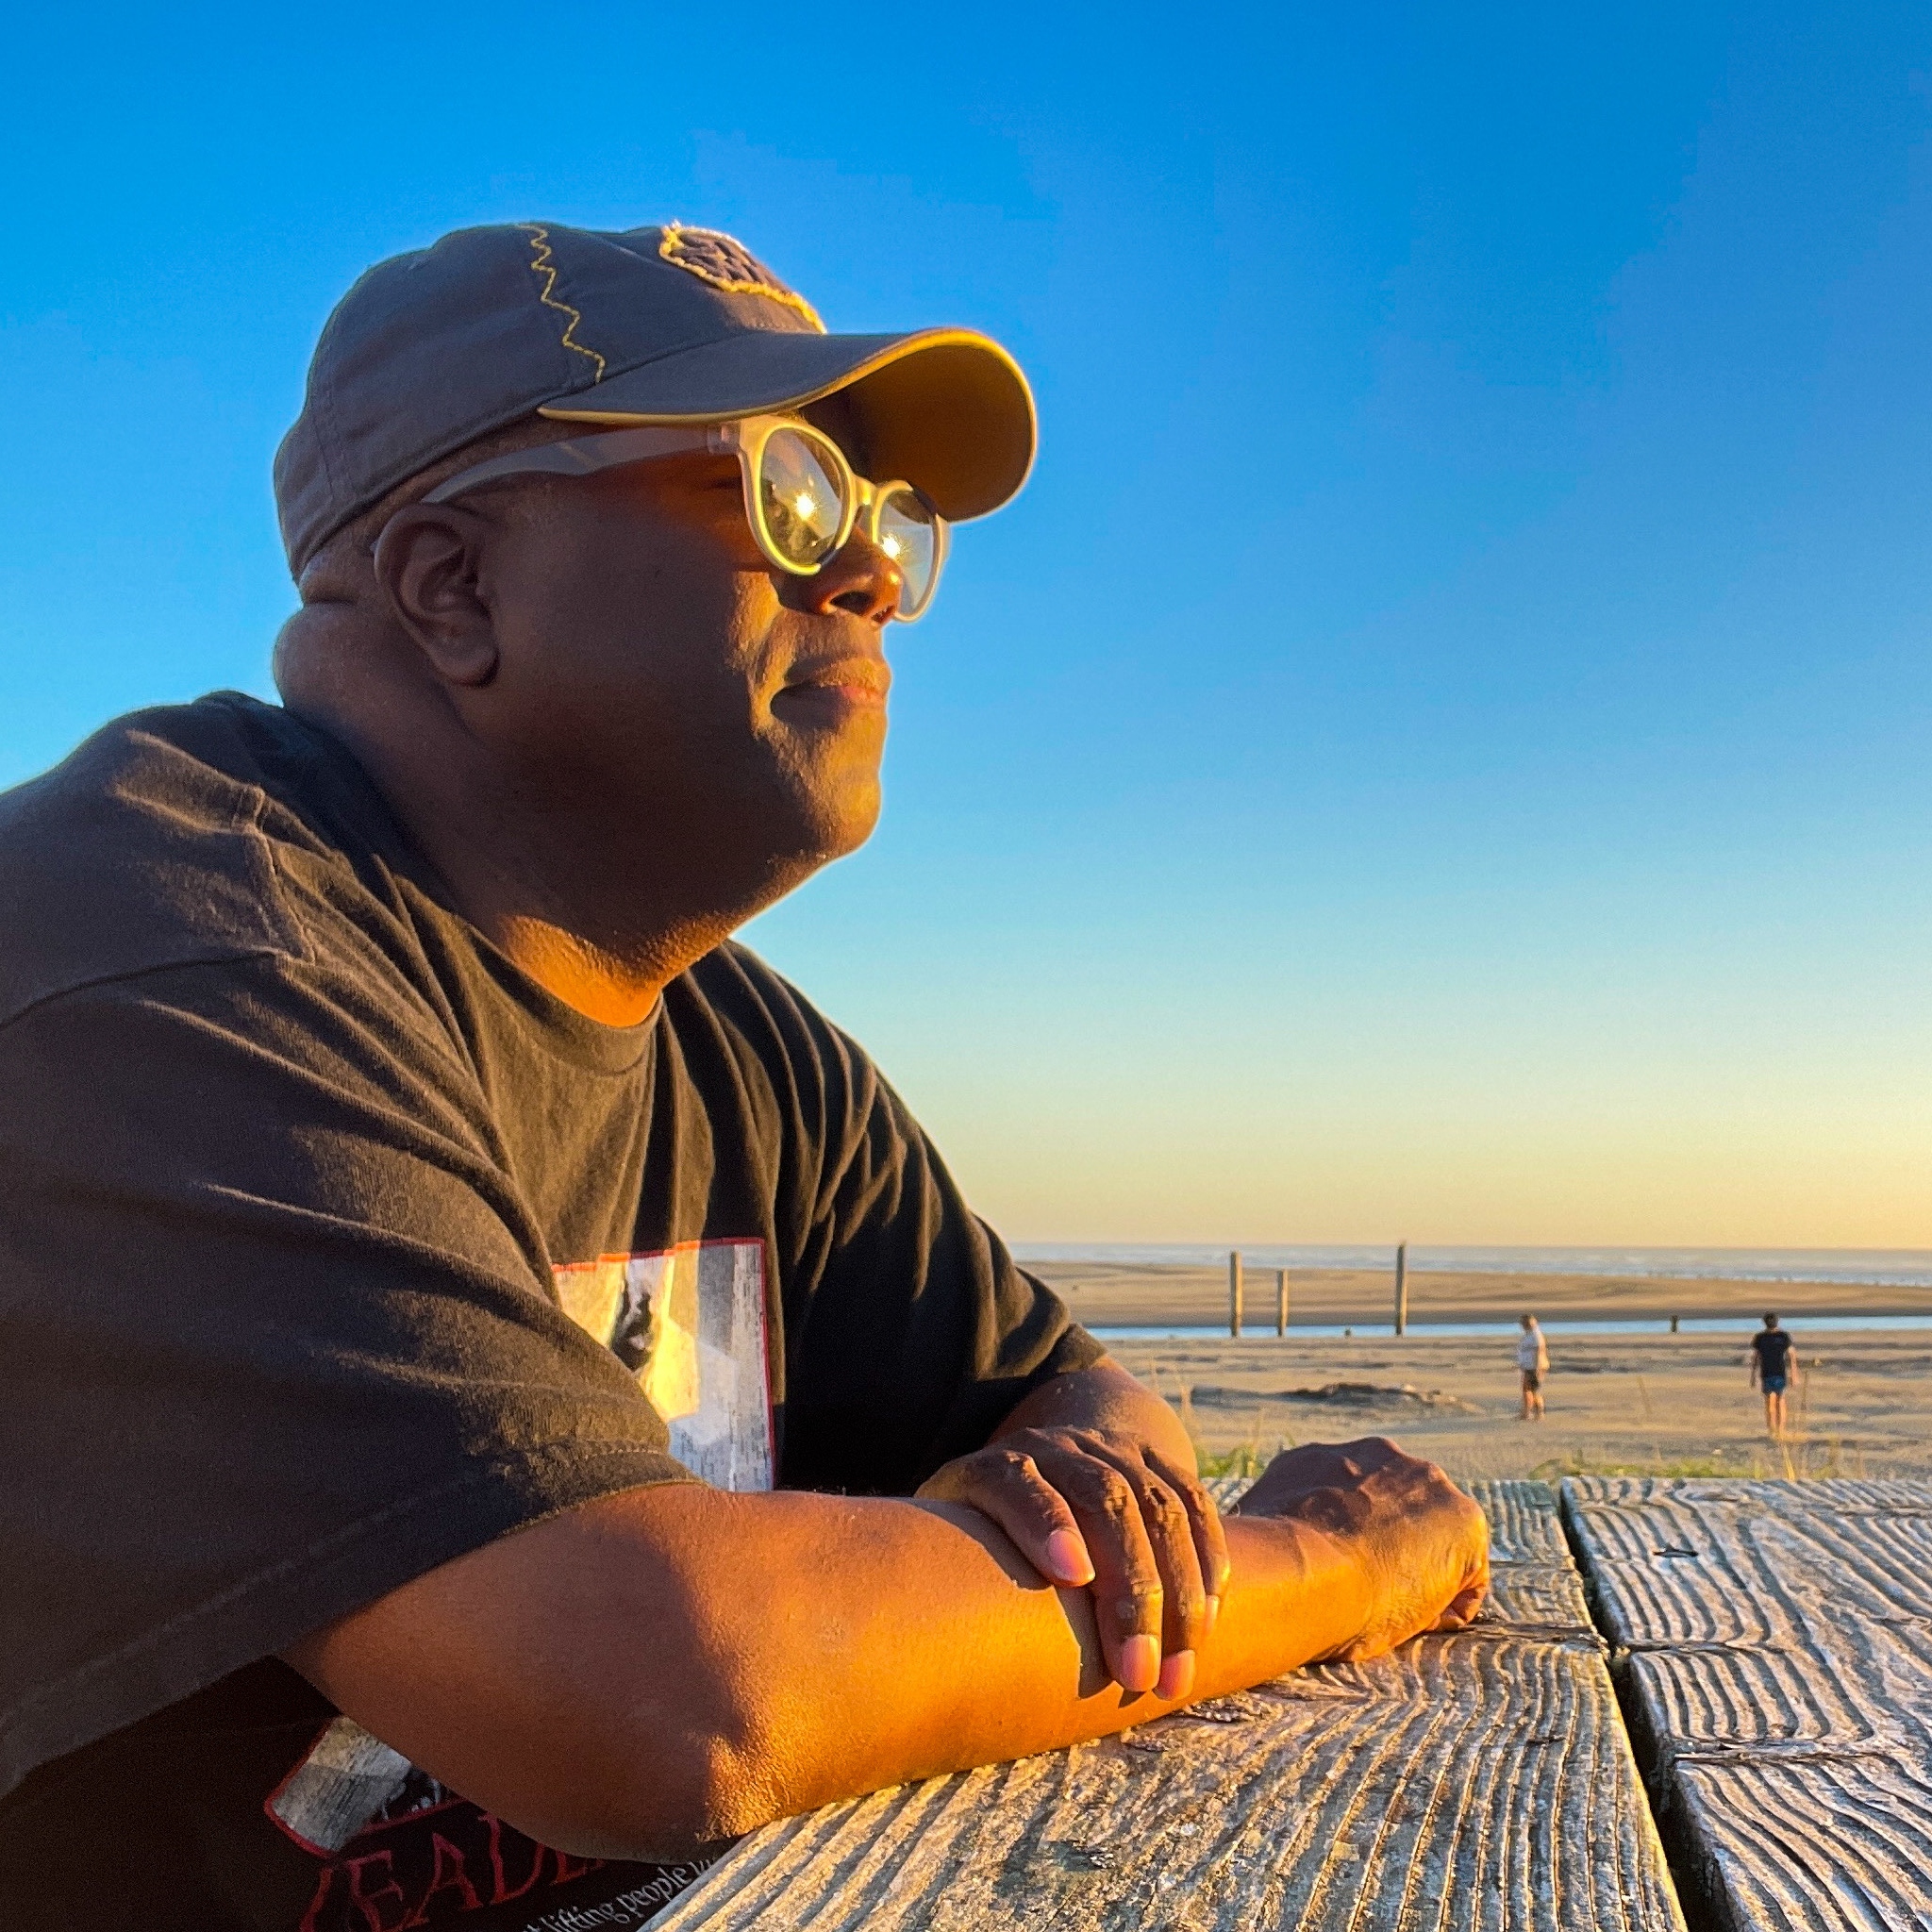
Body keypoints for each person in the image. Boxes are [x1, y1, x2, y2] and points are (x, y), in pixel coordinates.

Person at [0, 221, 1489, 1932]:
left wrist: (967, 1565)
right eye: (791, 490)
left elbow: (1084, 1413)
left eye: (886, 523)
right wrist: (1324, 1558)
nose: (863, 571)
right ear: (450, 584)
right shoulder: (144, 946)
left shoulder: (725, 1031)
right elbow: (664, 1698)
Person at [1749, 1312, 1798, 1438]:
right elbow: (1756, 1357)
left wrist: (1794, 1374)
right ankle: (1773, 1430)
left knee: (1779, 1401)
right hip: (1767, 1373)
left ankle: (1779, 1430)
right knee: (1771, 1402)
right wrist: (1753, 1375)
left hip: (1779, 1373)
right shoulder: (1761, 1337)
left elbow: (1791, 1355)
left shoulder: (1783, 1336)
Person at [1516, 1314, 1548, 1421]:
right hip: (1528, 1366)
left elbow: (1540, 1351)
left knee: (1533, 1390)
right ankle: (1528, 1413)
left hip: (1534, 1367)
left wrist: (1538, 1367)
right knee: (1528, 1390)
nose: (1523, 1326)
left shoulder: (1535, 1335)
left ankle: (1537, 1413)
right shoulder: (1529, 1334)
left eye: (1524, 1323)